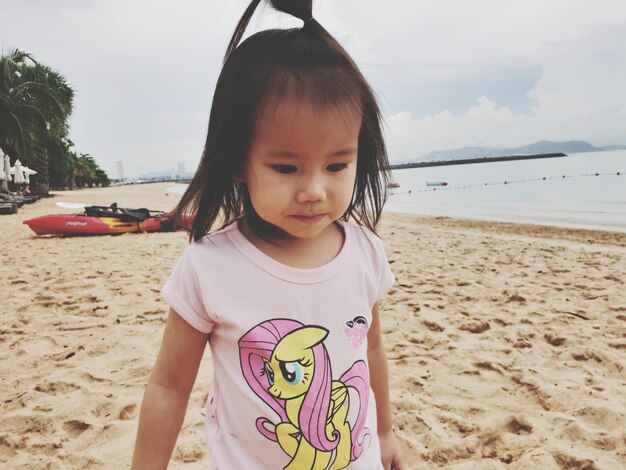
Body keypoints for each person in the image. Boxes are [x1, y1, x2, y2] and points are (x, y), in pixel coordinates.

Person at [132, 0, 404, 468]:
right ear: (238, 158)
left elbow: (371, 348)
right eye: (285, 167)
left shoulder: (364, 253)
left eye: (337, 165)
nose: (314, 191)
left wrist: (383, 432)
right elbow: (168, 387)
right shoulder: (209, 267)